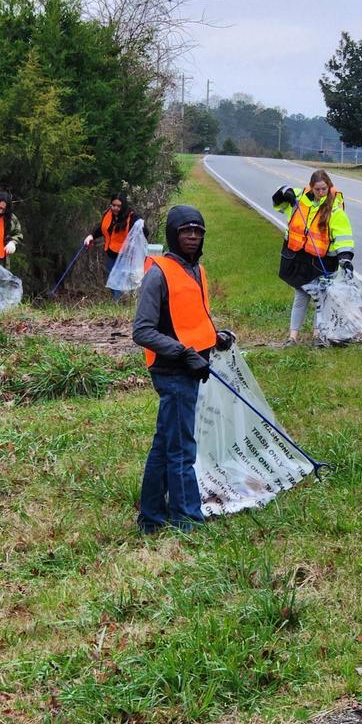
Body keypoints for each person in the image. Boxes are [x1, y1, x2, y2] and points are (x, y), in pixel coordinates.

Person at [132, 204, 235, 534]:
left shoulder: (197, 271)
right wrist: (182, 352)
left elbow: (190, 319)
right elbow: (142, 331)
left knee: (165, 444)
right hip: (171, 371)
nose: (192, 236)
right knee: (181, 449)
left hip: (192, 369)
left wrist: (214, 337)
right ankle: (186, 519)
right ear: (173, 235)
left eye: (198, 231)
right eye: (186, 231)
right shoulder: (158, 273)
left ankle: (151, 517)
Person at [272, 170, 355, 344]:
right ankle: (292, 337)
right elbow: (278, 201)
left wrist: (345, 258)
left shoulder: (335, 209)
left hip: (323, 261)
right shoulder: (298, 198)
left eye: (324, 188)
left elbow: (343, 236)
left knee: (321, 298)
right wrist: (283, 193)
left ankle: (318, 335)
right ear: (311, 187)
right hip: (300, 259)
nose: (320, 192)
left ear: (329, 186)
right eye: (317, 189)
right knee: (301, 296)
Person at [84, 191, 147, 301]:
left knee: (122, 283)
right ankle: (118, 302)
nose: (115, 208)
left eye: (118, 206)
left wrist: (141, 227)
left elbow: (144, 232)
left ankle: (122, 304)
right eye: (113, 205)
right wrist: (91, 236)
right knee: (113, 282)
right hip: (111, 255)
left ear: (123, 206)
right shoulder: (109, 214)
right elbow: (102, 229)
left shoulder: (132, 217)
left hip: (126, 258)